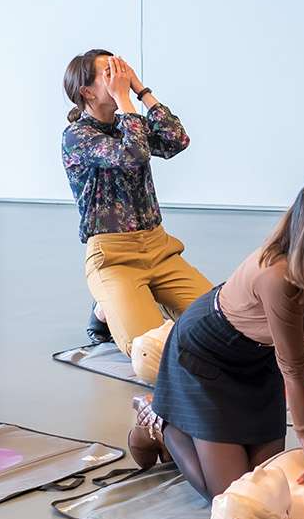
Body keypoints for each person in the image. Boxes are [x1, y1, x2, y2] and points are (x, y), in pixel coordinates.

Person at [126, 178, 304, 500]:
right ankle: (160, 422)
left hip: (258, 361)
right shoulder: (278, 276)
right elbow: (294, 368)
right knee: (236, 495)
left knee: (270, 485)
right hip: (204, 356)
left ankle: (192, 428)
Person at [61, 50, 211, 353]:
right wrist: (125, 101)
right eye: (109, 72)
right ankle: (110, 306)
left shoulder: (128, 122)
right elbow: (133, 156)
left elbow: (176, 141)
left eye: (121, 69)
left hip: (159, 248)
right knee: (151, 350)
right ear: (86, 92)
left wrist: (140, 90)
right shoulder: (77, 136)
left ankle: (126, 302)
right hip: (114, 257)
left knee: (220, 322)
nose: (120, 76)